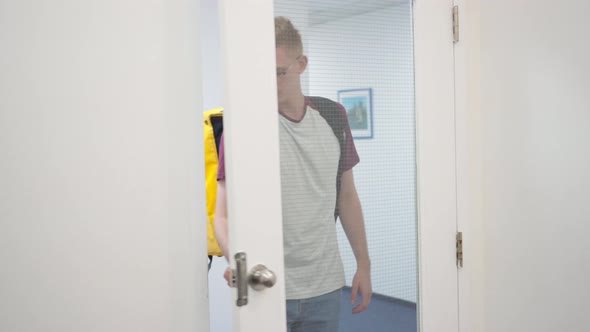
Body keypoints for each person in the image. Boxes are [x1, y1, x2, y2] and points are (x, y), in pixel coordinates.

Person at [214, 16, 372, 332]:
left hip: (324, 286)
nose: (269, 82)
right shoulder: (241, 125)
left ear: (301, 64)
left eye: (278, 73)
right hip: (263, 284)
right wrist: (236, 260)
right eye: (262, 73)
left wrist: (364, 265)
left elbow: (347, 197)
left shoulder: (332, 116)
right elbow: (222, 214)